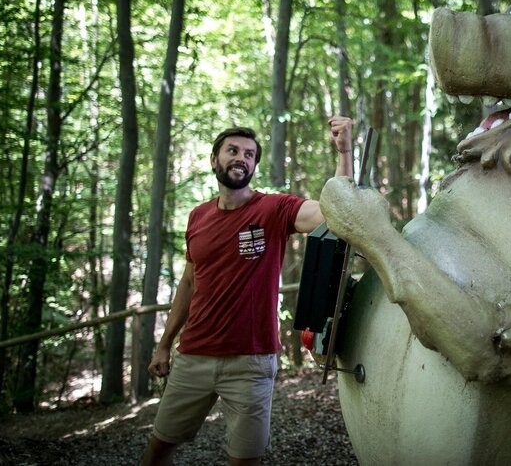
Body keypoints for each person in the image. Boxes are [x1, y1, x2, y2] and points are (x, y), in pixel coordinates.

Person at [141, 117, 353, 466]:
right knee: (159, 447)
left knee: (245, 460)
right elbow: (189, 283)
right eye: (233, 150)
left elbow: (335, 213)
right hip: (193, 356)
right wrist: (164, 345)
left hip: (251, 362)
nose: (241, 157)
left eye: (250, 154)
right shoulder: (197, 217)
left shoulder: (273, 209)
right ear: (215, 159)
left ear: (254, 165)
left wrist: (344, 151)